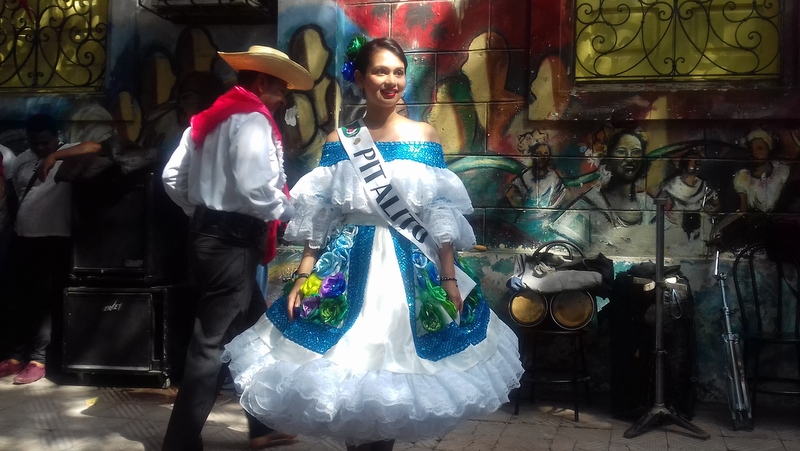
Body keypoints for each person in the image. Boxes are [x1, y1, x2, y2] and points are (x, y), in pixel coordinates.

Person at [221, 37, 523, 450]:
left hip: (410, 270)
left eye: (398, 72)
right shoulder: (339, 140)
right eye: (381, 71)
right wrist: (304, 273)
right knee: (347, 384)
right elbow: (322, 214)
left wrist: (450, 278)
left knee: (395, 383)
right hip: (348, 267)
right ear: (360, 78)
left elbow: (438, 212)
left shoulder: (425, 134)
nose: (391, 81)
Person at [160, 45, 313, 451]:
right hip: (233, 243)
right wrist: (290, 211)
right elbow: (254, 187)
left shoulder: (207, 120)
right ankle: (179, 441)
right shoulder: (252, 120)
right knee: (210, 344)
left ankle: (260, 427)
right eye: (281, 90)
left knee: (254, 332)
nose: (283, 100)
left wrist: (203, 210)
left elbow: (173, 177)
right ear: (262, 83)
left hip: (210, 238)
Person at [0, 113, 102, 384]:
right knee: (19, 299)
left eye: (46, 142)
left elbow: (97, 147)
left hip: (54, 238)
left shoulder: (68, 152)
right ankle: (14, 355)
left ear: (57, 137)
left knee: (46, 302)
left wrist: (54, 157)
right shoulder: (22, 160)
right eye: (36, 143)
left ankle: (38, 359)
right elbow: (14, 194)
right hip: (23, 238)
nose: (41, 148)